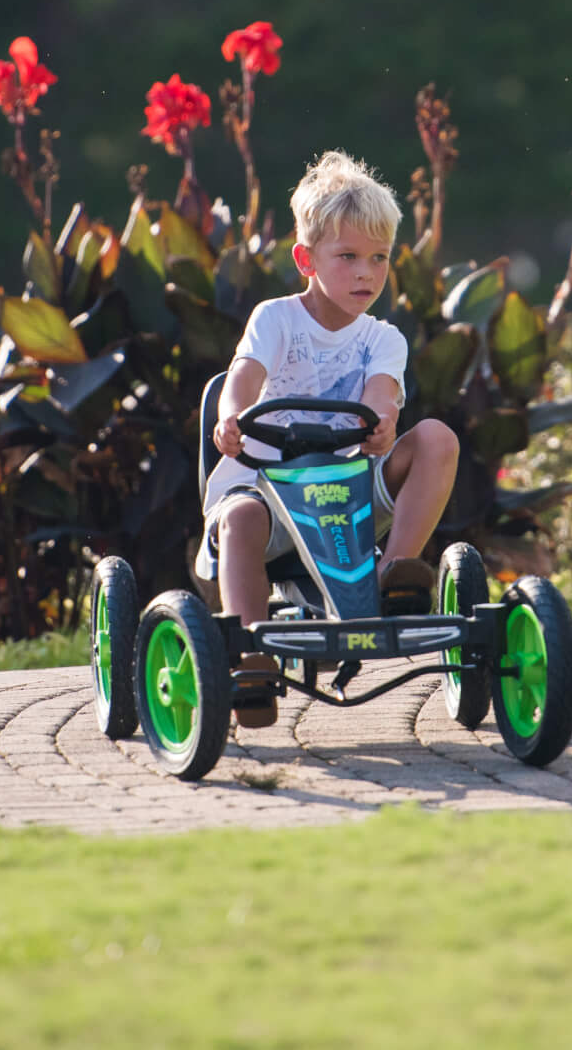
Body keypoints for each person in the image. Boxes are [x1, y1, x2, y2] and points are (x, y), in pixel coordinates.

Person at [201, 150, 459, 727]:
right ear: (306, 259)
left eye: (378, 258)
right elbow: (241, 376)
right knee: (238, 519)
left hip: (346, 491)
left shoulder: (383, 338)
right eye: (347, 257)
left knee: (437, 438)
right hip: (267, 487)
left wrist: (381, 422)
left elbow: (380, 392)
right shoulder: (276, 320)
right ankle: (251, 656)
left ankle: (394, 575)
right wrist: (233, 415)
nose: (366, 272)